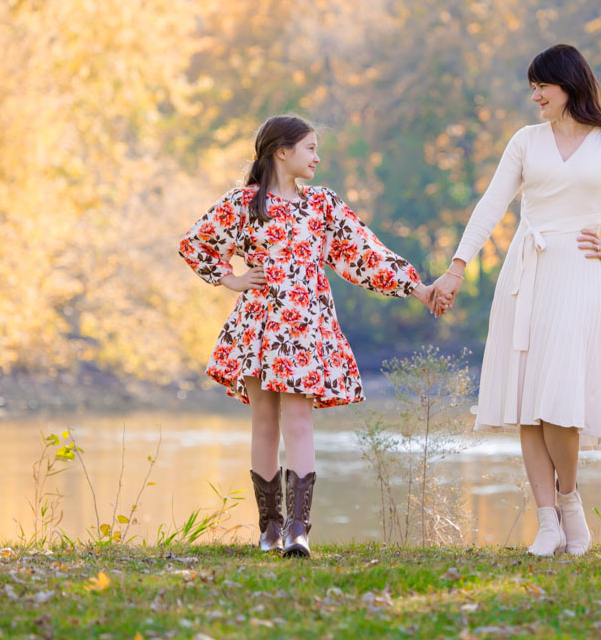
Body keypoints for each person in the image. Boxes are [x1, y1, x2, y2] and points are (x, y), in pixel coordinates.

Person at [429, 44, 601, 557]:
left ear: (570, 84)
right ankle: (546, 521)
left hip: (579, 272)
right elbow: (492, 204)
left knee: (561, 403)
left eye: (542, 86)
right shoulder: (526, 141)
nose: (535, 97)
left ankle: (569, 501)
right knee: (528, 400)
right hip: (527, 271)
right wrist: (457, 267)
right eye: (532, 88)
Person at [179, 115, 435, 557]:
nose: (317, 157)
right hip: (259, 326)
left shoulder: (322, 205)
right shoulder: (242, 204)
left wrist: (418, 287)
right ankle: (269, 529)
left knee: (299, 421)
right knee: (263, 423)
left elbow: (364, 253)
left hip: (305, 328)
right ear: (282, 151)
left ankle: (299, 530)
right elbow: (195, 244)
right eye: (310, 148)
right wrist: (231, 278)